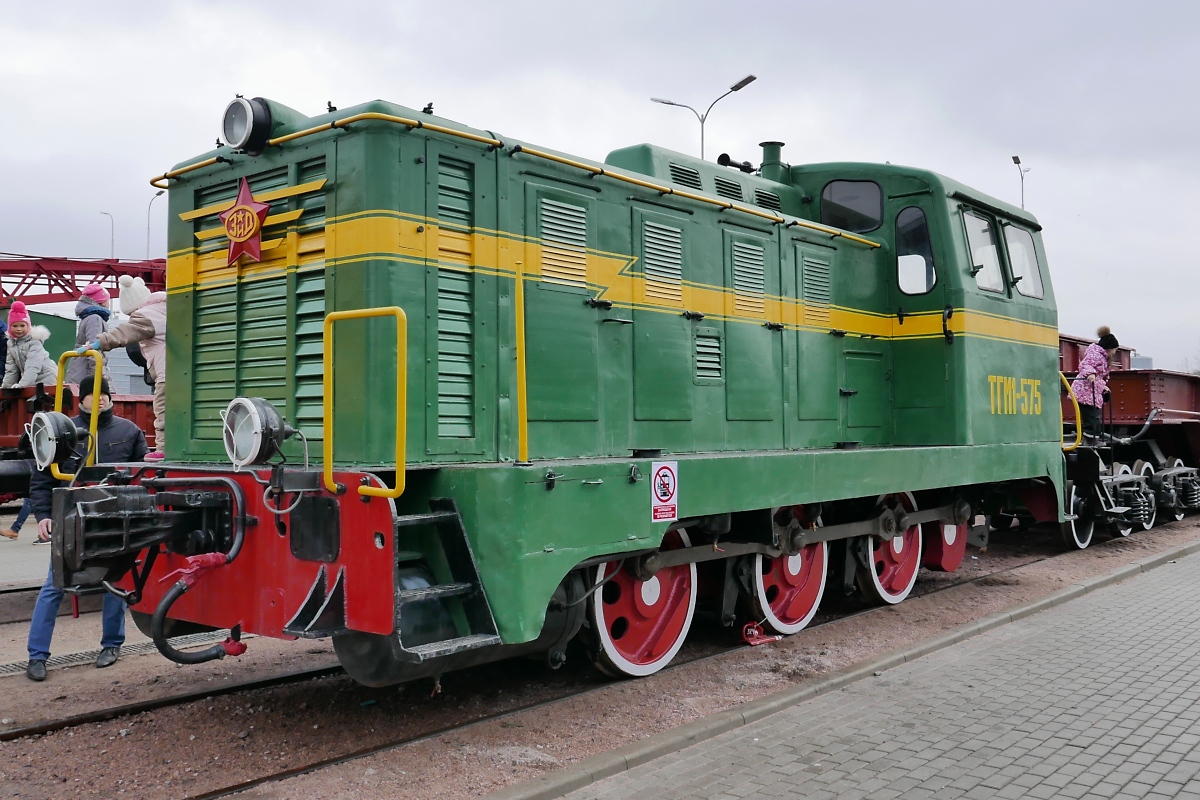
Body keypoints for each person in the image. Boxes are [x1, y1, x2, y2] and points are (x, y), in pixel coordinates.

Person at [25, 377, 148, 680]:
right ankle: (36, 656)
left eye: (105, 393)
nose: (101, 399)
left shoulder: (129, 431)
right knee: (54, 585)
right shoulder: (61, 432)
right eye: (94, 394)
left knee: (115, 584)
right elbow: (42, 480)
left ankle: (111, 645)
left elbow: (143, 476)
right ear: (81, 399)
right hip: (71, 518)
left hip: (113, 517)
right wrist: (43, 515)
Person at [79, 275, 166, 461]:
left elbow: (124, 332)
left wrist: (97, 344)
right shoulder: (165, 309)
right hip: (178, 371)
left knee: (162, 408)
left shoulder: (145, 316)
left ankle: (164, 448)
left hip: (166, 373)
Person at [1071, 326, 1119, 438]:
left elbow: (1099, 376)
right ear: (1109, 348)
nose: (1115, 352)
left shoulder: (1102, 357)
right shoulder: (1096, 355)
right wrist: (1090, 373)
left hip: (1091, 390)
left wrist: (1103, 386)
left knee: (1094, 414)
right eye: (1114, 350)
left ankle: (1093, 436)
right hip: (1085, 390)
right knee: (1091, 416)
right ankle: (1090, 437)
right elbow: (1085, 365)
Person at [65, 283, 113, 386]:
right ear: (103, 302)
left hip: (79, 369)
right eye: (108, 300)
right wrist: (99, 375)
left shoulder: (87, 318)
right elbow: (93, 347)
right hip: (86, 371)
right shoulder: (95, 319)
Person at [3, 302, 57, 389]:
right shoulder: (11, 343)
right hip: (31, 380)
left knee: (36, 401)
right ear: (10, 327)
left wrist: (22, 385)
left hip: (46, 379)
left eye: (22, 325)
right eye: (15, 326)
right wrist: (5, 388)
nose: (19, 329)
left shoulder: (34, 342)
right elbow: (11, 369)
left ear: (28, 326)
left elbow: (32, 367)